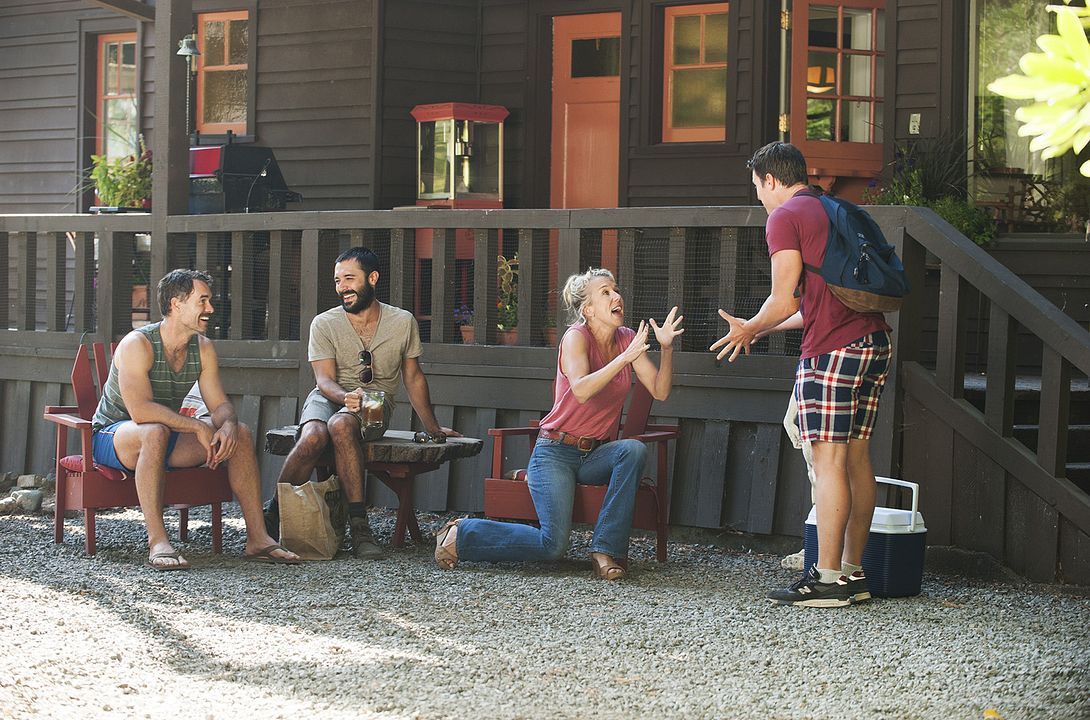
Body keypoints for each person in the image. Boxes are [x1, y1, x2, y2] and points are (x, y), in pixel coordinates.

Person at [710, 141, 892, 607]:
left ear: (772, 179)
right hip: (871, 342)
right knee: (856, 460)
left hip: (831, 351)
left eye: (757, 188)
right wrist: (761, 330)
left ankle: (826, 579)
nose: (759, 198)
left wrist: (750, 326)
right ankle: (852, 572)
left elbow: (784, 298)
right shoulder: (830, 208)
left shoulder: (785, 216)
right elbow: (811, 305)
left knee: (828, 463)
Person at [434, 268, 683, 580]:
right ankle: (463, 533)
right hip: (555, 452)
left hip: (595, 455)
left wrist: (668, 349)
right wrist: (624, 359)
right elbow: (581, 389)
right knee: (553, 546)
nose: (617, 296)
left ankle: (605, 549)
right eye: (605, 292)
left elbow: (659, 391)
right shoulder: (575, 338)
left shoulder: (626, 339)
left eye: (615, 289)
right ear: (588, 310)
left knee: (632, 451)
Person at [90, 269, 300, 570]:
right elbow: (140, 412)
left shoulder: (202, 348)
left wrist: (226, 424)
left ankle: (258, 539)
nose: (210, 309)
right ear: (177, 304)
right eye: (202, 301)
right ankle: (158, 541)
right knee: (154, 431)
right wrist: (197, 426)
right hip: (113, 436)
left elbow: (220, 405)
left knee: (239, 433)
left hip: (165, 435)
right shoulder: (139, 344)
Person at [266, 246, 457, 559]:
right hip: (329, 395)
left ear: (372, 278)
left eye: (349, 279)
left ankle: (360, 529)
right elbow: (324, 381)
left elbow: (413, 378)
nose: (342, 287)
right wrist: (345, 397)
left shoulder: (402, 321)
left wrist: (433, 427)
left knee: (341, 424)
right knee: (314, 434)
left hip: (375, 401)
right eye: (338, 280)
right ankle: (271, 516)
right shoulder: (323, 323)